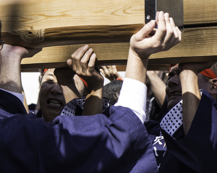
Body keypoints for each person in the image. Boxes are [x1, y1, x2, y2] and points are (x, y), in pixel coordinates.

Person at [0, 11, 181, 172]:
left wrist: (10, 57)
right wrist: (138, 57)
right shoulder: (30, 139)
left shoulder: (11, 133)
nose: (55, 90)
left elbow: (10, 127)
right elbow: (116, 141)